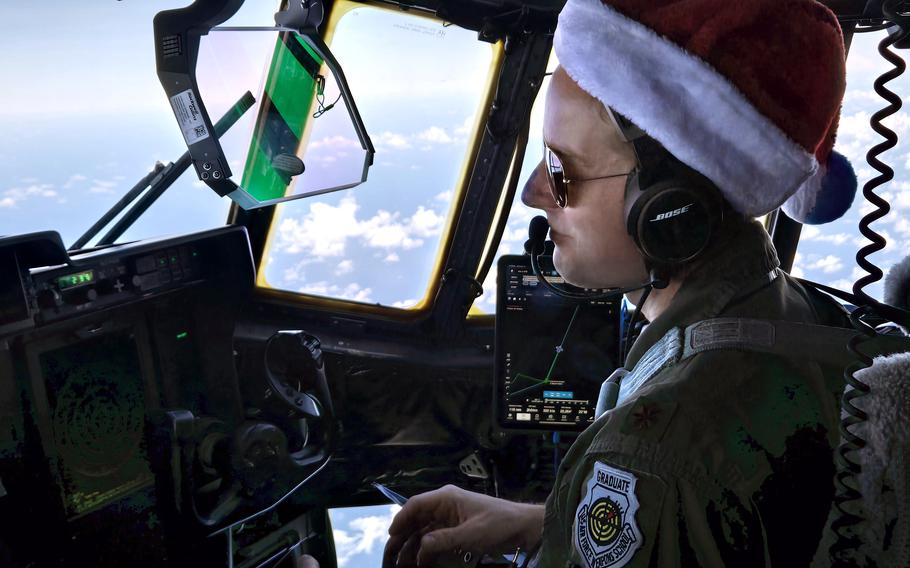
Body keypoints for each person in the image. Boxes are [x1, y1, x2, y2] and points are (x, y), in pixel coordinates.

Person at [381, 0, 860, 567]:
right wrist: (549, 524)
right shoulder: (801, 318)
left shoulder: (658, 451)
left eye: (561, 171)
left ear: (667, 209)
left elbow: (680, 480)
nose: (533, 193)